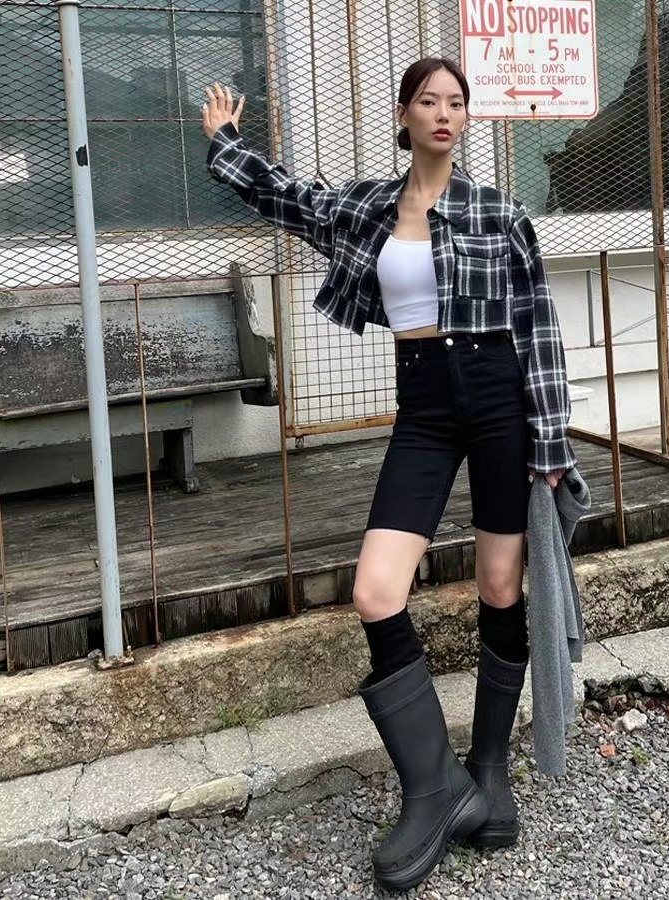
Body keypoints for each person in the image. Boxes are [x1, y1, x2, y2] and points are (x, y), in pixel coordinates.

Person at [202, 57, 576, 892]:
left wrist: (550, 442)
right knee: (376, 591)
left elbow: (538, 326)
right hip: (426, 407)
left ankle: (489, 774)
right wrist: (226, 144)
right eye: (428, 101)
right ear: (404, 114)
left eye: (456, 103)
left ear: (465, 119)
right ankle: (436, 786)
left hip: (500, 398)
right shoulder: (369, 206)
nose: (444, 113)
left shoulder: (499, 210)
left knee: (500, 586)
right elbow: (288, 198)